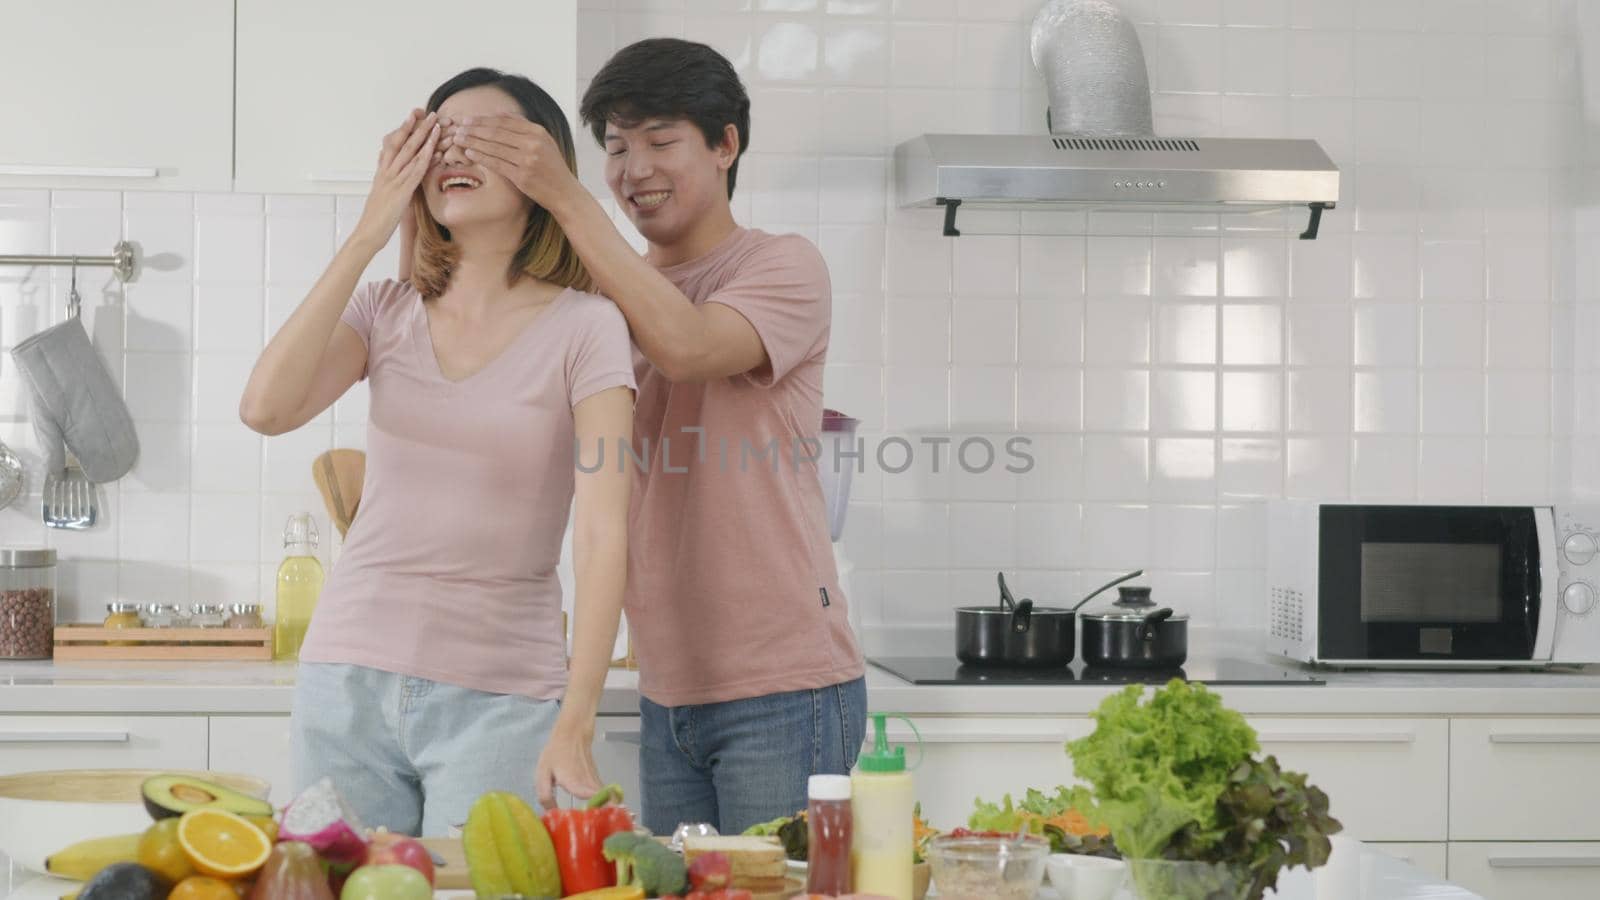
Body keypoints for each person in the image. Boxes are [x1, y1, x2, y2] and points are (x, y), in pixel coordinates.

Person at [441, 39, 867, 835]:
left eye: (661, 140)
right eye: (615, 146)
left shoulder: (783, 267)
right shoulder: (591, 301)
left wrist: (567, 201)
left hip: (785, 689)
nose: (634, 169)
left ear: (726, 144)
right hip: (664, 689)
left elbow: (691, 345)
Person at [239, 67, 636, 836]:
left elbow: (602, 531)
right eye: (440, 136)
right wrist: (368, 229)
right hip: (345, 679)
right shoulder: (384, 311)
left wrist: (576, 717)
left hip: (501, 699)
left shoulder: (589, 327)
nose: (455, 151)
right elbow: (265, 408)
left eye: (485, 136)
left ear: (541, 166)